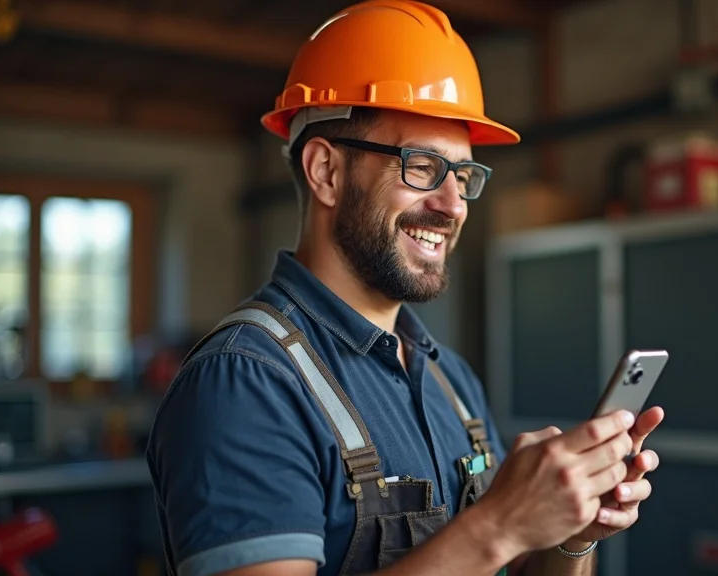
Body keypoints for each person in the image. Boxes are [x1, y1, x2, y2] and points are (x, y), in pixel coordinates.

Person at [145, 1, 665, 575]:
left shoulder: (450, 381)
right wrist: (501, 524)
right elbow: (489, 541)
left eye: (463, 176)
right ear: (326, 172)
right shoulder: (246, 381)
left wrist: (567, 534)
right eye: (422, 167)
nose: (451, 205)